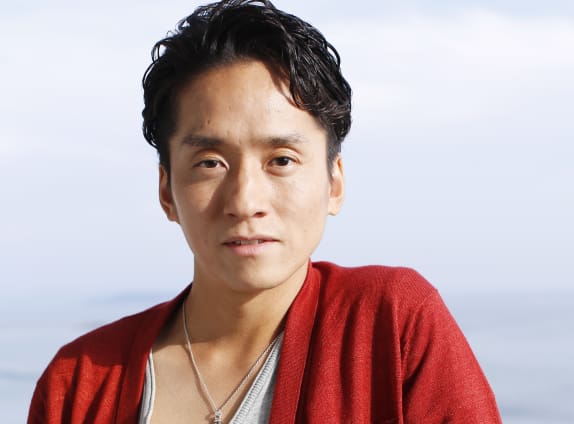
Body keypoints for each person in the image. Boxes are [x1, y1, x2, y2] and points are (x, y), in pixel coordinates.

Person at [28, 1, 501, 423]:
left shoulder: (391, 325)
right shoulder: (78, 383)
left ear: (334, 183)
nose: (245, 202)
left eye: (281, 160)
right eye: (210, 163)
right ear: (166, 190)